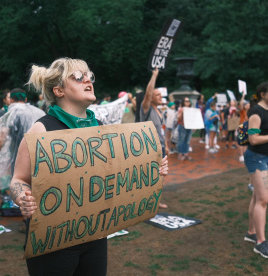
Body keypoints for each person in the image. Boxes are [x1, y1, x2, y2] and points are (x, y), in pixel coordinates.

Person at [10, 57, 169, 275]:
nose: (88, 80)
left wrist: (151, 168)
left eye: (89, 76)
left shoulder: (101, 129)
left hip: (94, 235)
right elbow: (19, 179)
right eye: (78, 77)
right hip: (53, 241)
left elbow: (119, 172)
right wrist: (22, 197)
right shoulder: (41, 130)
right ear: (59, 91)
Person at [243, 82, 268, 259]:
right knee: (263, 200)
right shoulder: (256, 112)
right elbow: (253, 139)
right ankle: (260, 243)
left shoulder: (267, 111)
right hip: (256, 158)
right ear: (263, 94)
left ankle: (251, 233)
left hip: (266, 158)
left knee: (257, 197)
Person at [0, 88, 45, 193]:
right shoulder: (40, 112)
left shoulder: (12, 114)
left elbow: (1, 141)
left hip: (22, 160)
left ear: (11, 100)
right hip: (42, 157)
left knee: (23, 190)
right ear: (26, 99)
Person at [140, 67, 168, 209]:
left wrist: (166, 145)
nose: (159, 97)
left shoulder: (160, 111)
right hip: (149, 148)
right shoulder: (146, 108)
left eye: (160, 95)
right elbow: (148, 94)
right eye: (156, 95)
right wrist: (154, 76)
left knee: (161, 175)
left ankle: (156, 201)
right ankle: (146, 203)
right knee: (150, 176)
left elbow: (162, 130)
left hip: (161, 148)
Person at [238, 93, 250, 162]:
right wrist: (243, 97)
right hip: (242, 127)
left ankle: (244, 155)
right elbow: (241, 104)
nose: (248, 106)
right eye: (247, 105)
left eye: (249, 105)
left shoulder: (250, 112)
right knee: (241, 142)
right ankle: (241, 155)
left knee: (245, 142)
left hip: (247, 127)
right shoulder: (242, 111)